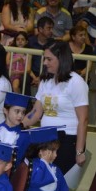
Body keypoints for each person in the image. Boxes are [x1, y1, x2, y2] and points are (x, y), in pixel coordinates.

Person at [23, 41, 88, 175]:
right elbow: (35, 113)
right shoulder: (46, 81)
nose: (45, 63)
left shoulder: (76, 82)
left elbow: (83, 120)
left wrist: (80, 151)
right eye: (44, 58)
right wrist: (17, 125)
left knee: (57, 182)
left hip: (67, 140)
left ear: (61, 59)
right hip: (45, 137)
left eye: (49, 59)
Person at [0, 91, 33, 167]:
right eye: (17, 111)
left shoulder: (24, 136)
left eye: (23, 112)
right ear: (5, 110)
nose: (20, 115)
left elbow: (18, 161)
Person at [28, 16, 54, 87]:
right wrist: (35, 78)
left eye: (52, 28)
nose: (51, 31)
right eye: (49, 28)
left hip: (47, 74)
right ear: (40, 29)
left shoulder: (53, 43)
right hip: (31, 74)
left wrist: (41, 78)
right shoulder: (30, 41)